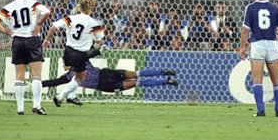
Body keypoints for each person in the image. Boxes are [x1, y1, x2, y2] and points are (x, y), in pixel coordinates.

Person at [0, 0, 51, 115]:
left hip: (17, 41)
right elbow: (47, 12)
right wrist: (39, 24)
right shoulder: (34, 4)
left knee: (19, 75)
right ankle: (36, 105)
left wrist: (8, 32)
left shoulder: (9, 7)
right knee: (36, 75)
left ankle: (20, 108)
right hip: (32, 40)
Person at [239, 0, 278, 117]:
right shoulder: (275, 8)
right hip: (272, 44)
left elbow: (245, 30)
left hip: (257, 44)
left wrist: (242, 47)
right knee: (277, 80)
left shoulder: (250, 8)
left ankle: (261, 111)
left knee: (257, 80)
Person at [41, 0, 104, 107]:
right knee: (80, 76)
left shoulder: (70, 18)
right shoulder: (94, 23)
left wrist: (46, 40)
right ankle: (60, 97)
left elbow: (53, 28)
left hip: (68, 51)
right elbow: (99, 42)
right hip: (80, 54)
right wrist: (95, 48)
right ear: (91, 8)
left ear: (80, 6)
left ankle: (71, 96)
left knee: (75, 73)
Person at [42, 47, 178, 94]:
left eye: (63, 62)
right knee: (136, 82)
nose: (62, 64)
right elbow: (53, 82)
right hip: (105, 86)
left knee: (135, 75)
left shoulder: (82, 62)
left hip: (105, 74)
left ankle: (163, 72)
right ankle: (165, 80)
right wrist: (39, 84)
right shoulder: (68, 77)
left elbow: (89, 52)